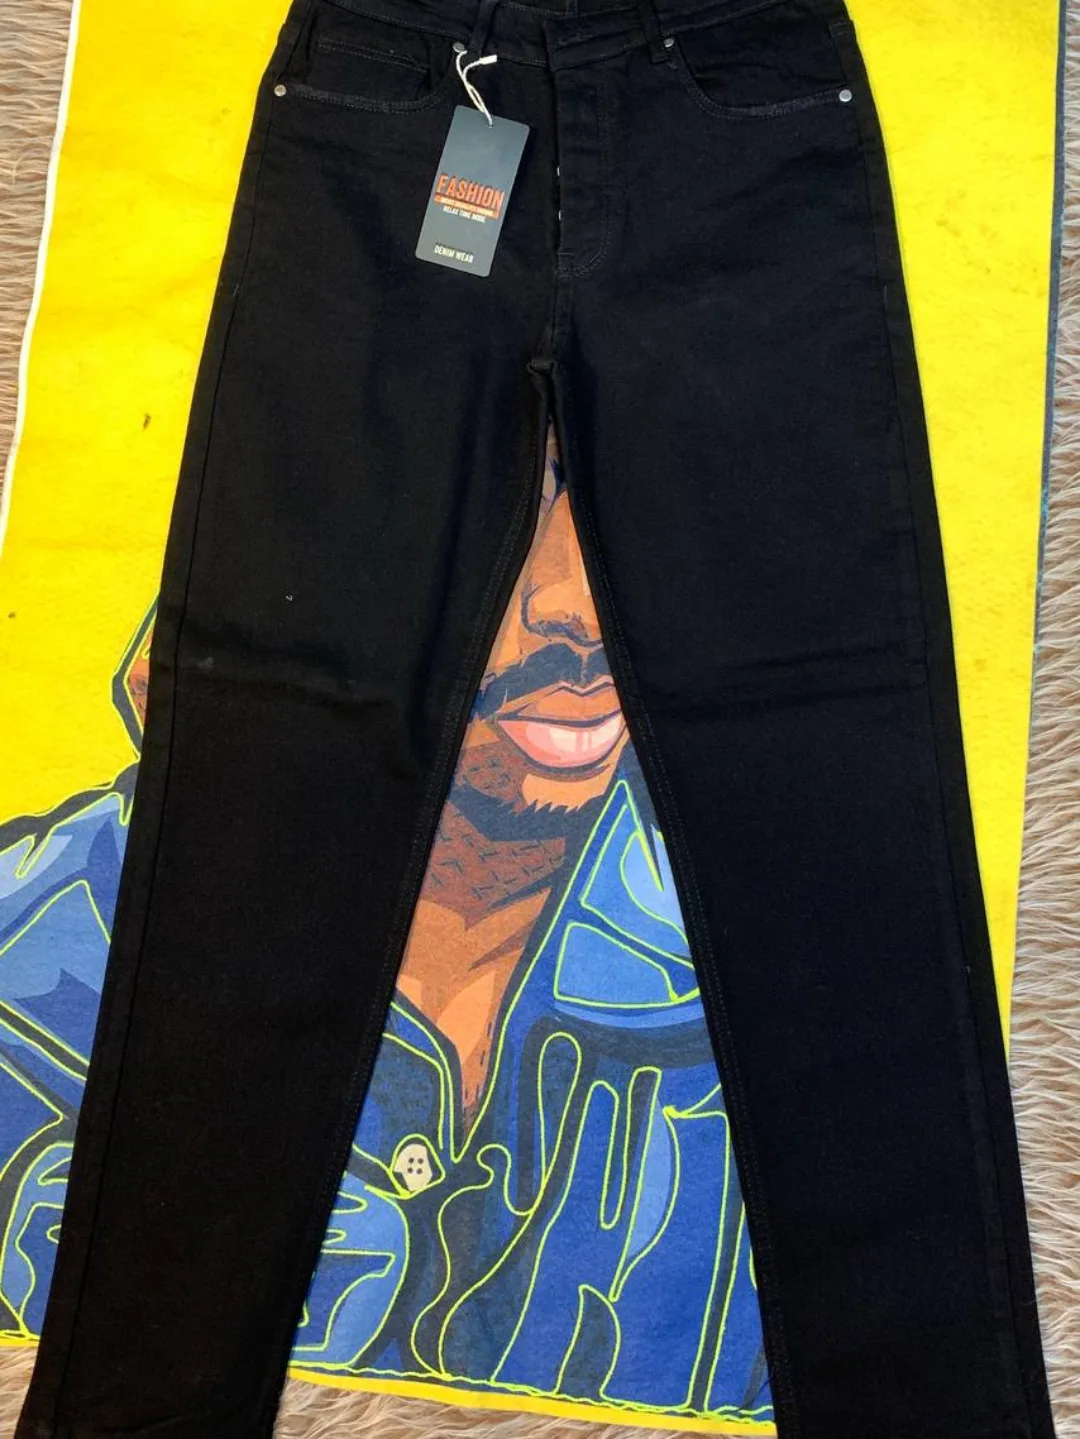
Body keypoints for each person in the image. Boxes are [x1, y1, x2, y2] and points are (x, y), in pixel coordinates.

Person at [0, 426, 770, 1428]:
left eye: (627, 503)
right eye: (492, 500)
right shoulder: (34, 965)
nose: (579, 610)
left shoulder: (763, 999)